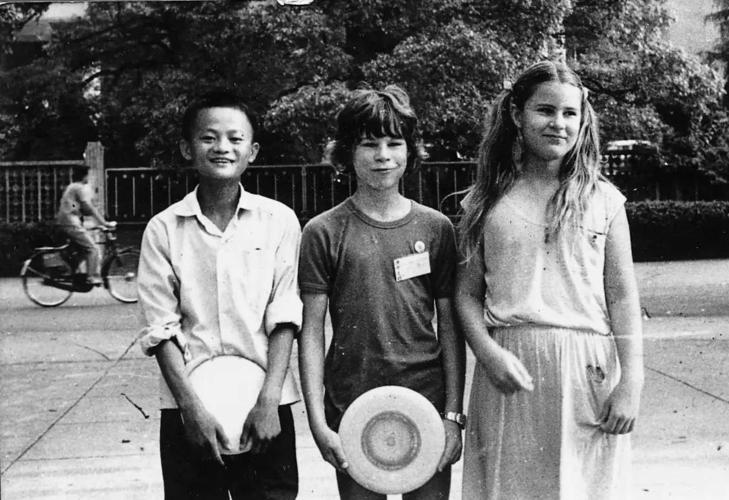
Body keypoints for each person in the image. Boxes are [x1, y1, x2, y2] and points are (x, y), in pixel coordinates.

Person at [455, 60, 644, 499]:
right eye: (545, 110)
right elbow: (465, 294)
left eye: (569, 113)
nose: (558, 123)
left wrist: (631, 381)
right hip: (509, 367)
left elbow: (622, 296)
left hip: (587, 370)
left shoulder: (604, 201)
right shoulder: (484, 203)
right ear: (517, 115)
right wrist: (487, 352)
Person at [298, 85, 465, 500]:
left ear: (411, 150)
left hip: (425, 402)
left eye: (394, 143)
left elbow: (451, 327)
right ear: (346, 152)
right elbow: (311, 332)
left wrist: (453, 415)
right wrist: (317, 421)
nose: (383, 156)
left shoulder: (436, 228)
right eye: (369, 144)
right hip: (351, 403)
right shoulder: (322, 232)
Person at [137, 90, 302, 500]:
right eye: (208, 137)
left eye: (235, 138)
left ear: (253, 151)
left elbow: (285, 315)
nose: (222, 147)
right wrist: (191, 411)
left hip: (265, 409)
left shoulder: (279, 221)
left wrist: (269, 401)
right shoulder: (163, 229)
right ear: (187, 148)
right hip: (190, 410)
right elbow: (161, 328)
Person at [55, 165, 114, 284]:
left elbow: (82, 209)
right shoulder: (79, 188)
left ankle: (75, 273)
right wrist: (104, 223)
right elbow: (88, 207)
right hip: (71, 222)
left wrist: (98, 224)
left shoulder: (72, 187)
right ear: (84, 176)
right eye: (89, 175)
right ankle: (90, 277)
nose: (90, 177)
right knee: (93, 249)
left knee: (82, 250)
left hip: (67, 221)